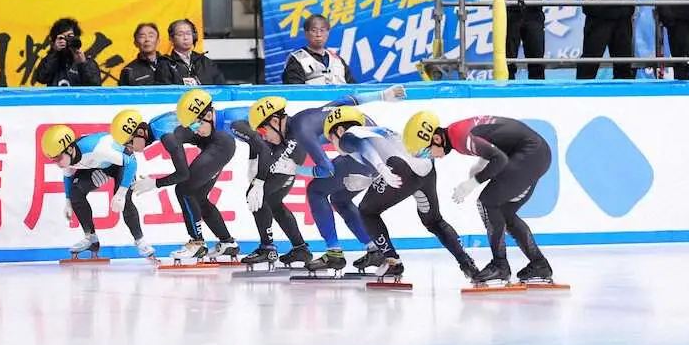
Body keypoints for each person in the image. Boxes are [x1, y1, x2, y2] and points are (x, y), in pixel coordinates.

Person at [323, 107, 483, 285]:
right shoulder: (375, 130)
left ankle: (392, 261)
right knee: (434, 221)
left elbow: (365, 147)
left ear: (339, 130)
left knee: (367, 211)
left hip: (400, 167)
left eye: (331, 139)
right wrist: (370, 179)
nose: (333, 145)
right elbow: (387, 154)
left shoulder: (348, 136)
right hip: (425, 166)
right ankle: (468, 265)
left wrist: (382, 169)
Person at [403, 111, 556, 287]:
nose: (430, 157)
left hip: (529, 154)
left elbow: (499, 159)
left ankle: (500, 265)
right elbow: (494, 137)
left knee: (487, 203)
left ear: (437, 139)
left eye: (425, 152)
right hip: (535, 152)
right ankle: (539, 264)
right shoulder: (456, 130)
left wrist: (471, 183)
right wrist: (481, 164)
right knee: (505, 213)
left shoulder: (459, 137)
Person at [130, 93, 241, 262]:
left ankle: (197, 244)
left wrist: (154, 183)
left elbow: (183, 174)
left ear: (139, 132)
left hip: (219, 145)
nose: (130, 148)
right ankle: (227, 243)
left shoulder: (168, 135)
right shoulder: (155, 125)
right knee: (198, 197)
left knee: (184, 190)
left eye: (129, 143)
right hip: (214, 144)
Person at [40, 120, 154, 261]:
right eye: (52, 160)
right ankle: (91, 239)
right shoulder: (68, 158)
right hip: (101, 166)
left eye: (57, 158)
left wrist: (121, 193)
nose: (56, 163)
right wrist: (68, 201)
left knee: (125, 203)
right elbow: (68, 176)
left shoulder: (98, 149)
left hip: (123, 165)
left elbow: (131, 163)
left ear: (69, 149)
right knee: (75, 192)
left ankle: (140, 241)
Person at [231, 97, 315, 269]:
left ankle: (267, 248)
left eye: (265, 130)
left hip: (289, 161)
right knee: (274, 203)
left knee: (256, 196)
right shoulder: (276, 127)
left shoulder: (294, 134)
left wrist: (259, 181)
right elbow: (257, 142)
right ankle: (300, 248)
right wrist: (253, 161)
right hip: (286, 160)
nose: (265, 136)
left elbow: (271, 158)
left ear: (275, 121)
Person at [282, 13, 355, 85]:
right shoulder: (297, 59)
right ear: (306, 33)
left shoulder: (337, 60)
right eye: (314, 30)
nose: (318, 35)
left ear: (328, 33)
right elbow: (294, 91)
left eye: (322, 30)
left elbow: (353, 88)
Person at [32, 17, 101, 87]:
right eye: (62, 38)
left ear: (77, 38)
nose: (66, 41)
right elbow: (41, 78)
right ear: (55, 41)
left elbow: (95, 88)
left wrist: (82, 64)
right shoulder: (51, 60)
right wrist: (54, 52)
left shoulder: (87, 62)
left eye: (70, 36)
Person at [166, 18, 225, 86]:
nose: (186, 38)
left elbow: (221, 87)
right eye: (180, 34)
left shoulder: (205, 62)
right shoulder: (165, 64)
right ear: (171, 38)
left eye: (188, 33)